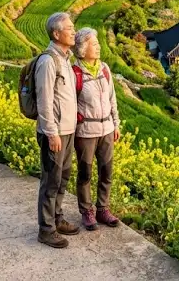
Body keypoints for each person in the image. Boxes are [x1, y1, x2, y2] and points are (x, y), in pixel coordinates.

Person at [36, 12, 80, 248]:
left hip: (68, 130)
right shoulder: (48, 61)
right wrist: (51, 133)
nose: (74, 32)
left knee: (62, 178)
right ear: (56, 33)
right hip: (55, 133)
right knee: (51, 181)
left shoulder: (65, 60)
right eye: (69, 28)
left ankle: (57, 218)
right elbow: (44, 101)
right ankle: (46, 229)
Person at [72, 27, 121, 231]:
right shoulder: (74, 73)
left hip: (106, 129)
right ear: (83, 49)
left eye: (98, 43)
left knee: (106, 170)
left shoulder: (104, 69)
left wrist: (116, 123)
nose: (99, 47)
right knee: (85, 173)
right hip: (86, 131)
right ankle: (86, 211)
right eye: (94, 44)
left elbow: (112, 98)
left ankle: (103, 209)